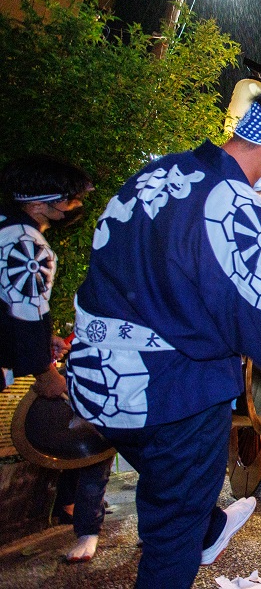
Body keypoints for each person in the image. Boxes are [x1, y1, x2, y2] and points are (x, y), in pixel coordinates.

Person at [66, 89, 261, 587]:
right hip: (172, 389)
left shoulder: (152, 176)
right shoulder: (236, 204)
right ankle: (198, 532)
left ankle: (208, 524)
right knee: (172, 541)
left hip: (100, 383)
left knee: (172, 487)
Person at [0, 155, 113, 563]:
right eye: (70, 200)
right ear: (41, 203)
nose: (75, 208)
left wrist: (43, 337)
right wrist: (43, 370)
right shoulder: (28, 244)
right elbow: (25, 311)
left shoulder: (4, 228)